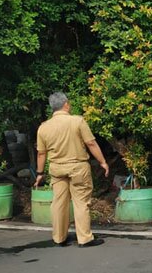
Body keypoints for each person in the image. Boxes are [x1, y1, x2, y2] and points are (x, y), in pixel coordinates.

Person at [34, 92, 109, 247]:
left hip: (57, 169)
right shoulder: (77, 121)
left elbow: (41, 153)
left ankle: (59, 237)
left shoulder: (43, 128)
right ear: (66, 104)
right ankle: (84, 238)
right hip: (77, 167)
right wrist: (102, 162)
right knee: (81, 202)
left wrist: (40, 173)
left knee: (59, 203)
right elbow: (91, 144)